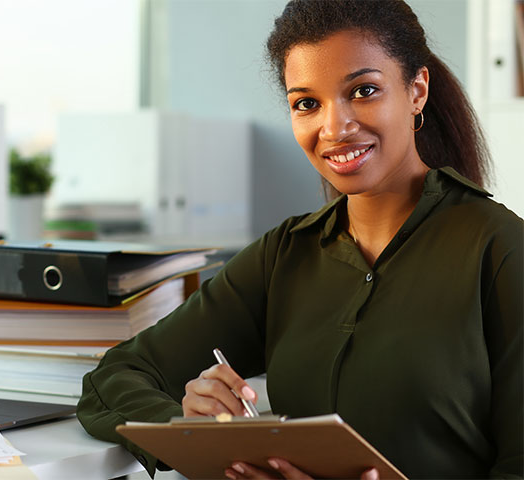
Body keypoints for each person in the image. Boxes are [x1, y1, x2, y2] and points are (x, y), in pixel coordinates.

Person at [77, 1, 523, 478]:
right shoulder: (284, 255)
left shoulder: (499, 250)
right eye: (306, 103)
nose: (334, 128)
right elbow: (113, 378)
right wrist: (191, 429)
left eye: (364, 90)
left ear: (417, 91)